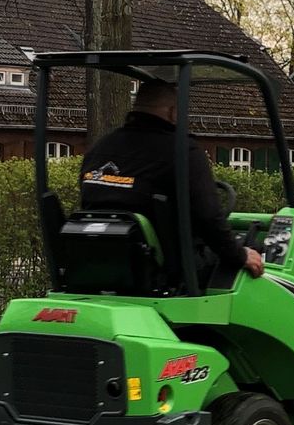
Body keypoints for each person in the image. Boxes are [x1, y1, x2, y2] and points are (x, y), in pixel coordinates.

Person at [80, 79, 264, 279]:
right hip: (164, 270)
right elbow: (208, 217)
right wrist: (240, 254)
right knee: (253, 249)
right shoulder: (183, 151)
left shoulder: (99, 148)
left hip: (96, 263)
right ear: (172, 112)